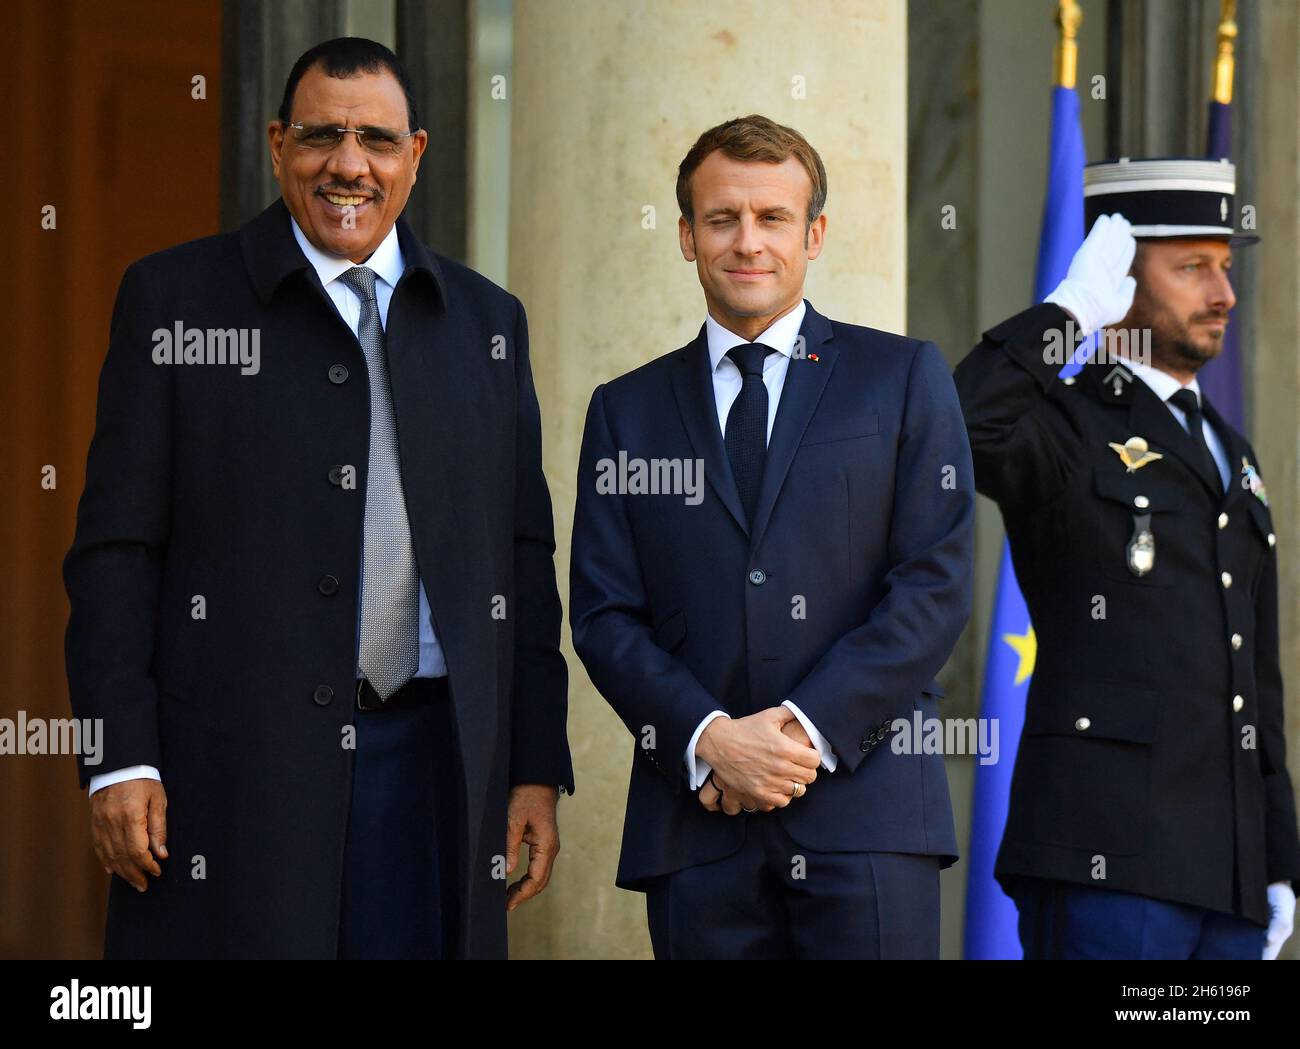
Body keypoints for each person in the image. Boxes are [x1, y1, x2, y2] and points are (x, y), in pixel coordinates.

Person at [63, 37, 572, 959]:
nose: (348, 164)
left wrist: (534, 769)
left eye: (375, 140)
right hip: (228, 779)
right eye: (320, 136)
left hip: (431, 773)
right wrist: (120, 755)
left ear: (415, 155)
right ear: (275, 144)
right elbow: (115, 553)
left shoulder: (488, 323)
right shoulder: (173, 300)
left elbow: (523, 563)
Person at [569, 115, 974, 959]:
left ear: (814, 233)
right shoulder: (626, 409)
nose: (746, 241)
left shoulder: (902, 378)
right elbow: (605, 614)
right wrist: (712, 738)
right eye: (722, 219)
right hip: (698, 826)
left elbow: (934, 584)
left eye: (773, 218)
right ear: (686, 235)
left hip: (867, 818)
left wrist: (798, 733)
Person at [954, 157, 1300, 960]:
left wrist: (1278, 855)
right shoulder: (1067, 424)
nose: (1224, 294)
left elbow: (1258, 676)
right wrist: (1064, 314)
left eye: (1224, 266)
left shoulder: (1229, 449)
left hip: (1231, 873)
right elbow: (956, 428)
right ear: (1120, 279)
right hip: (1105, 853)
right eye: (1191, 268)